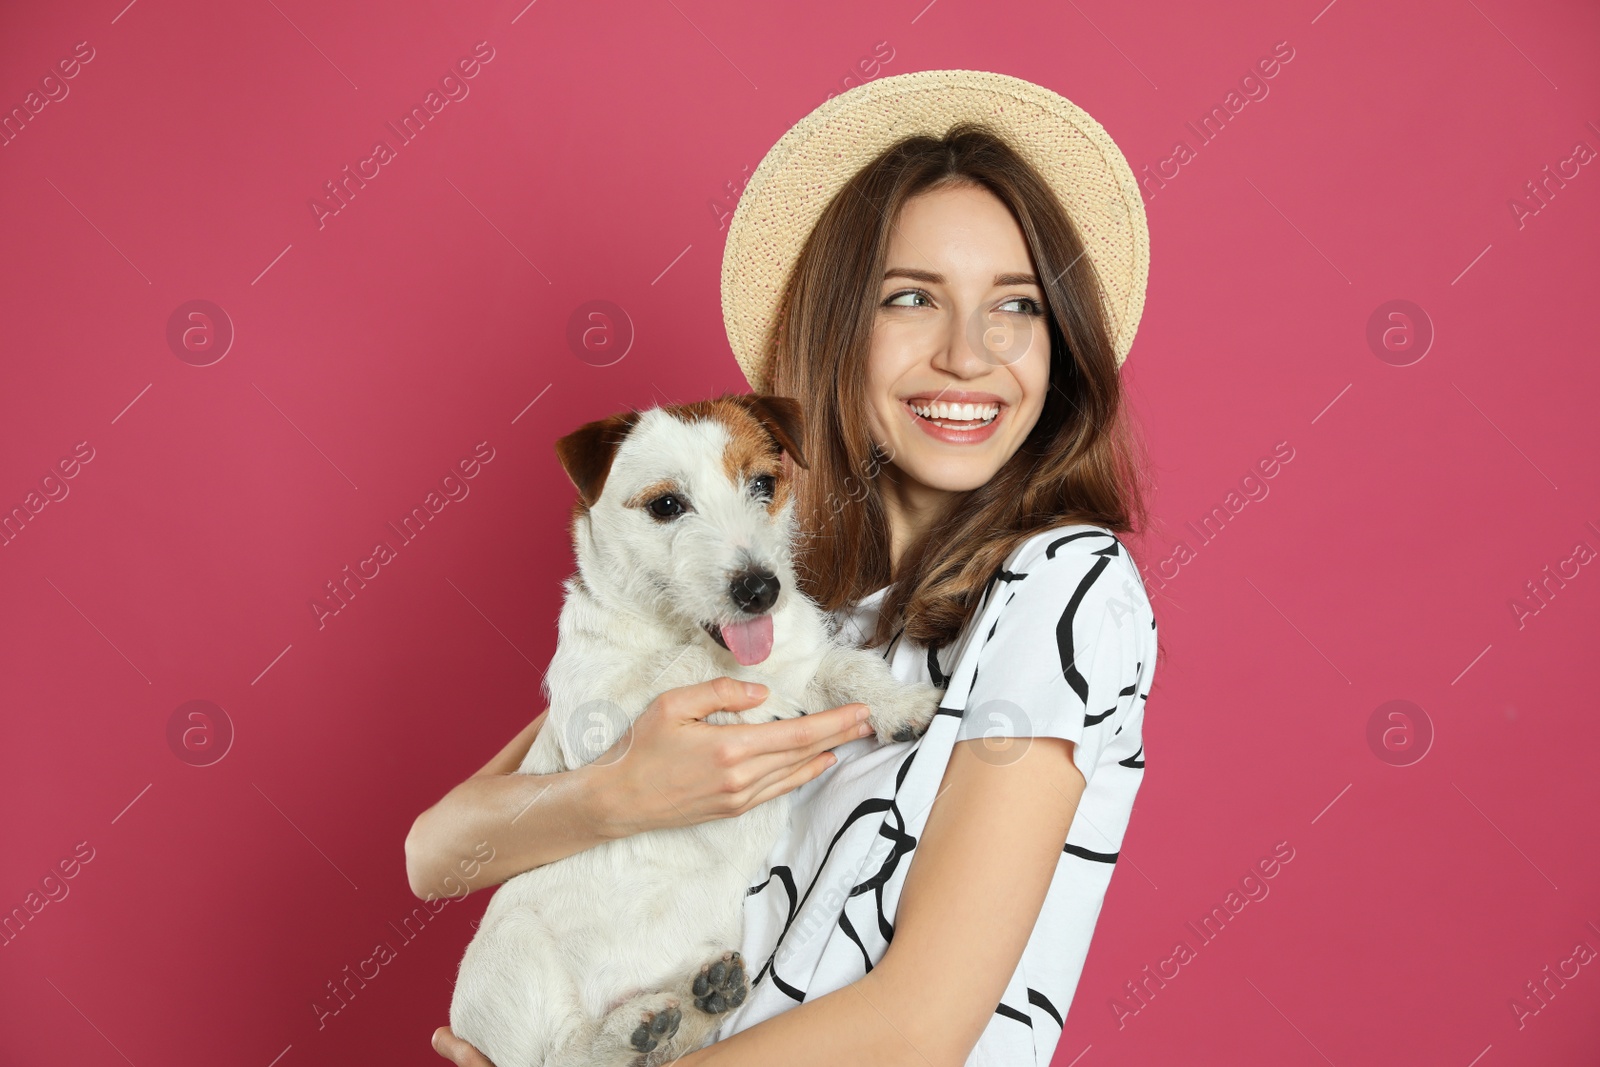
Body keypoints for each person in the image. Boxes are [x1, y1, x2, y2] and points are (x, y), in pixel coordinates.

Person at [410, 69, 1156, 1067]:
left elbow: (919, 1026)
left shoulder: (1065, 586)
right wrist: (620, 795)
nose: (969, 354)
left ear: (1058, 346)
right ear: (835, 325)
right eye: (910, 297)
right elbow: (439, 850)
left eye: (1015, 305)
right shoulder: (782, 607)